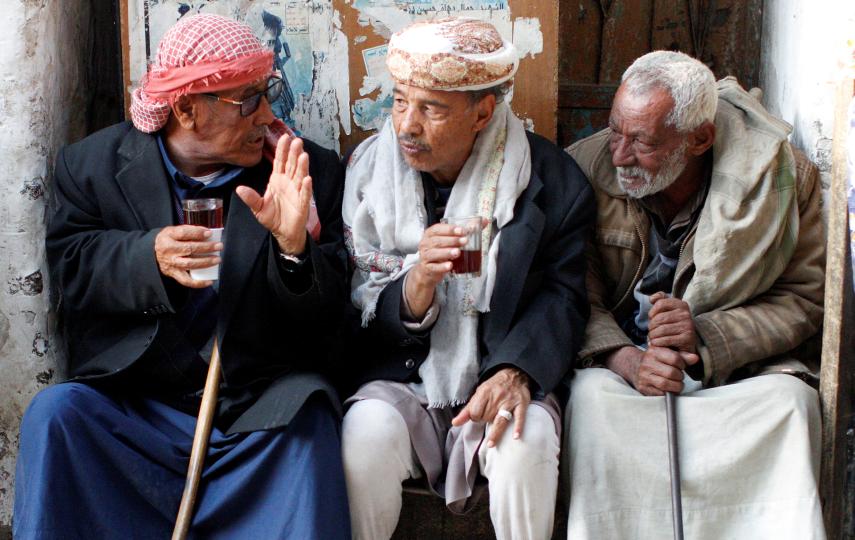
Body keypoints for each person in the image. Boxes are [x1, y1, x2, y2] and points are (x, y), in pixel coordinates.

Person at [14, 14, 350, 540]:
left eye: (267, 93)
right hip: (137, 402)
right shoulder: (91, 166)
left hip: (256, 407)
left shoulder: (303, 171)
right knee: (58, 413)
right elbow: (73, 268)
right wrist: (147, 258)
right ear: (187, 108)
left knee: (308, 427)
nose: (267, 114)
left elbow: (332, 317)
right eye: (247, 100)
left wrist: (293, 249)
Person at [341, 18, 594, 540]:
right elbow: (354, 301)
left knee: (523, 443)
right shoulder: (367, 175)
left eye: (431, 109)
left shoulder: (550, 180)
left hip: (503, 371)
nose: (407, 125)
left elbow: (564, 296)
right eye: (400, 102)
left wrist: (515, 373)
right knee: (363, 438)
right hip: (404, 379)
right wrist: (414, 289)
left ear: (483, 112)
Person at [563, 50, 826, 539]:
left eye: (641, 141)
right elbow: (573, 292)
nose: (619, 154)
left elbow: (805, 299)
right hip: (626, 372)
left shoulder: (781, 178)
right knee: (591, 399)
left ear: (700, 138)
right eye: (616, 130)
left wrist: (706, 335)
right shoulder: (584, 168)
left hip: (736, 373)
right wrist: (623, 359)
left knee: (790, 403)